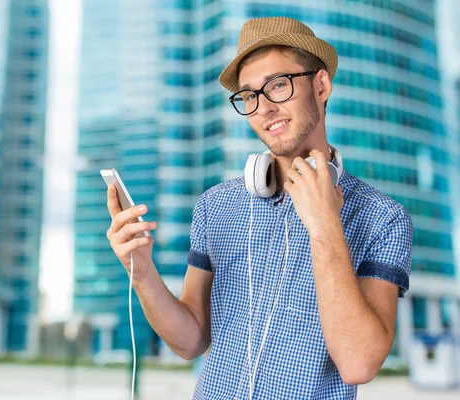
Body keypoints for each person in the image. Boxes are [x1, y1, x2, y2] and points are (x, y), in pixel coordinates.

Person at [105, 16, 413, 399]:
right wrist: (142, 273)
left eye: (278, 86)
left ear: (320, 85)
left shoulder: (384, 218)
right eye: (250, 96)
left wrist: (323, 225)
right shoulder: (216, 206)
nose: (263, 108)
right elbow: (190, 341)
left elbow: (358, 363)